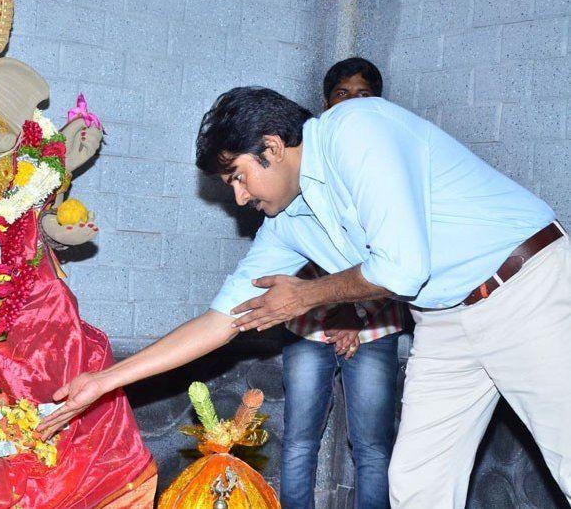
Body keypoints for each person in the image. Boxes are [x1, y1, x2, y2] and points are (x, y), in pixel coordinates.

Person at [38, 87, 571, 508]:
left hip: (524, 283)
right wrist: (104, 382)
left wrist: (306, 297)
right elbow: (223, 320)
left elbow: (403, 268)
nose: (242, 198)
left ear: (271, 146)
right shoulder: (287, 222)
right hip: (445, 318)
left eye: (239, 177)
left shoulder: (356, 129)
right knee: (416, 482)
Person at [279, 57, 404, 509]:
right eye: (341, 94)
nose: (352, 103)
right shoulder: (308, 160)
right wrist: (336, 312)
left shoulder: (382, 162)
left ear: (380, 103)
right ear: (325, 102)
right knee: (298, 441)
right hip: (309, 325)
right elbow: (298, 248)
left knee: (372, 447)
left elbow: (395, 254)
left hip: (374, 329)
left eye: (364, 94)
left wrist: (356, 314)